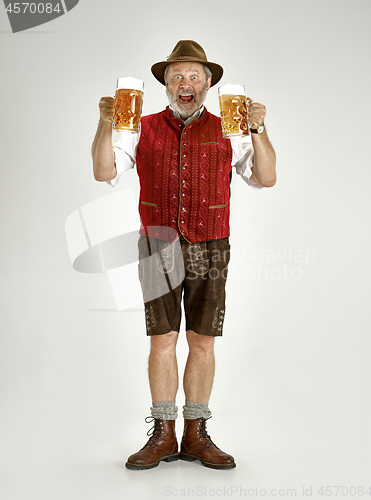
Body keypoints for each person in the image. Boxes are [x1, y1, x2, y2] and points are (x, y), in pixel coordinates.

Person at [91, 40, 276, 470]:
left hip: (211, 243)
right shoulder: (139, 125)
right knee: (163, 339)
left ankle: (195, 432)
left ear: (209, 84)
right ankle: (163, 431)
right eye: (177, 76)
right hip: (157, 243)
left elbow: (265, 178)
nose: (185, 83)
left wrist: (260, 129)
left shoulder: (232, 127)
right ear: (165, 85)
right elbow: (103, 171)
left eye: (194, 76)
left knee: (202, 340)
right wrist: (104, 124)